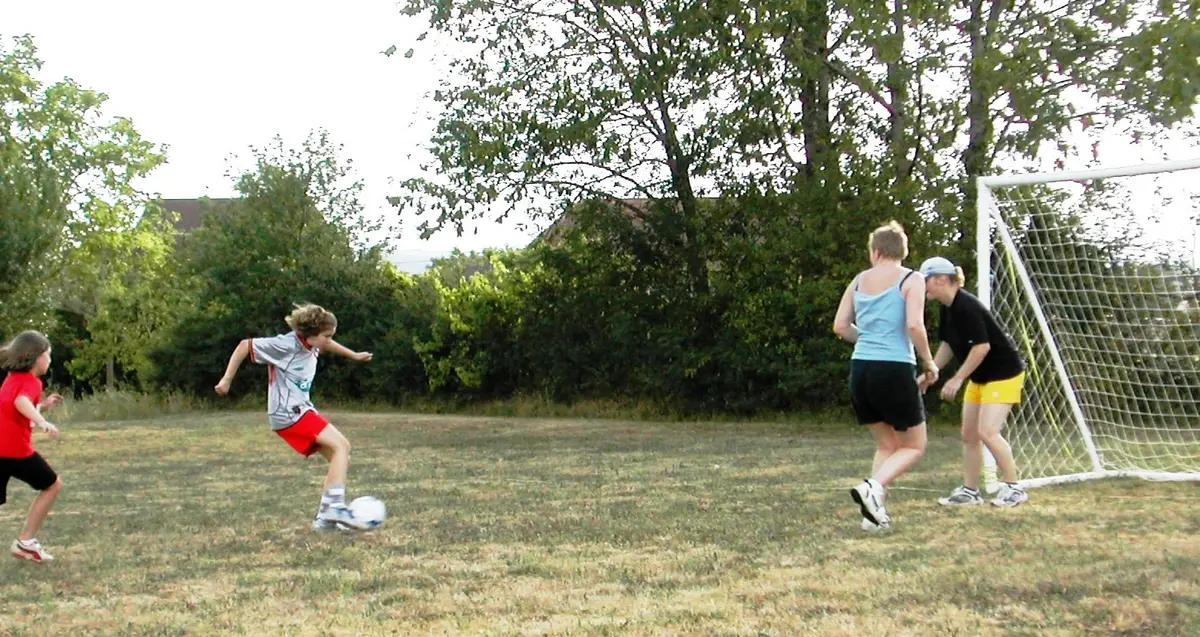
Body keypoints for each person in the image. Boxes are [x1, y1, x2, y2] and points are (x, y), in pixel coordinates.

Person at [215, 303, 376, 530]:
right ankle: (334, 507)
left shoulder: (312, 343)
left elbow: (328, 345)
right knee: (342, 446)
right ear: (312, 335)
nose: (329, 341)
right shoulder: (285, 345)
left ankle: (325, 520)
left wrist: (354, 356)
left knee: (338, 456)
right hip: (289, 411)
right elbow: (245, 345)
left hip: (299, 409)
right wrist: (226, 379)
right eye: (327, 336)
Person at [834, 221, 938, 531]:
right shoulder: (912, 278)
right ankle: (873, 487)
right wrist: (929, 363)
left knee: (887, 445)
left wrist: (866, 339)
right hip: (893, 368)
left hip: (861, 370)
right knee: (915, 446)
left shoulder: (858, 281)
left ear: (876, 252)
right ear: (900, 252)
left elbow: (840, 326)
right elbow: (915, 326)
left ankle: (873, 518)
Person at [919, 256, 1029, 507]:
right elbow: (948, 344)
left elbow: (982, 347)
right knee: (969, 435)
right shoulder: (947, 307)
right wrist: (932, 371)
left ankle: (1014, 489)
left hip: (1004, 374)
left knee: (988, 432)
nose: (922, 285)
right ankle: (970, 492)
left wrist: (957, 379)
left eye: (925, 280)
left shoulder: (966, 306)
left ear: (941, 279)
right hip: (981, 377)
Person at [0, 331, 65, 562]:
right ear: (36, 356)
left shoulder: (12, 378)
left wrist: (43, 407)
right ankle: (25, 542)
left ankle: (25, 543)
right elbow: (21, 403)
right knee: (52, 485)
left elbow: (16, 407)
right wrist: (42, 422)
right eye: (48, 355)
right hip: (13, 451)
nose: (49, 359)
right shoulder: (31, 381)